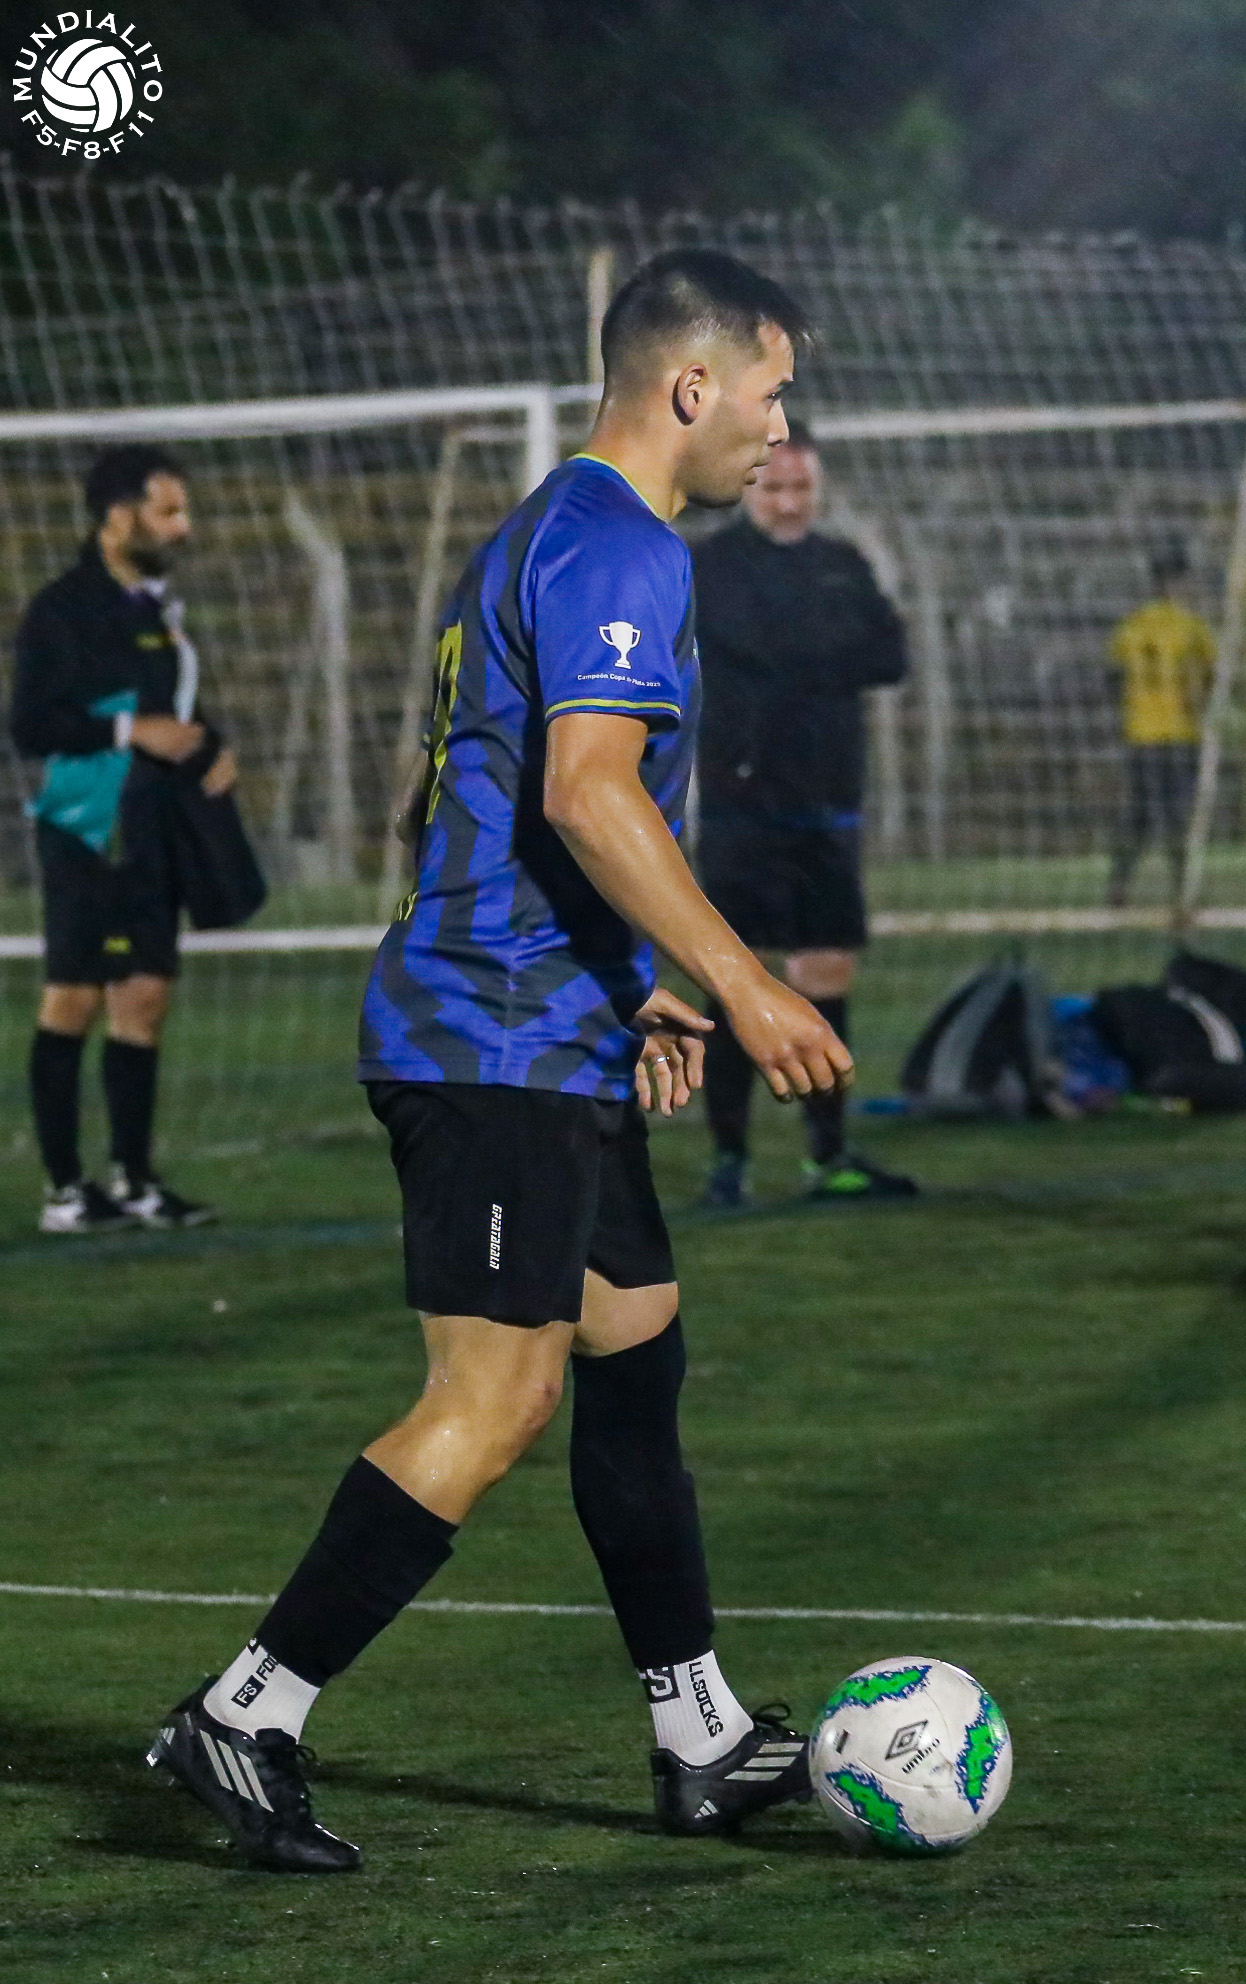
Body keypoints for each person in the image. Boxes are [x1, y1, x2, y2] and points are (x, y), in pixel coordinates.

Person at [146, 249, 854, 1874]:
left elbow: (449, 792)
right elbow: (583, 792)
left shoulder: (551, 528)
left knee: (634, 1349)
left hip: (548, 1027)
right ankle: (245, 1711)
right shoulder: (617, 543)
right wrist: (736, 983)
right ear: (692, 384)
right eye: (770, 392)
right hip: (494, 1043)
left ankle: (696, 1733)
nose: (777, 425)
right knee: (498, 1395)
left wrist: (634, 988)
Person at [10, 445, 238, 1234]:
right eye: (167, 511)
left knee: (143, 997)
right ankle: (64, 1191)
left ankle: (136, 1180)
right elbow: (31, 724)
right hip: (90, 829)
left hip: (152, 829)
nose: (184, 526)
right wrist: (129, 730)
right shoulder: (64, 608)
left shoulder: (153, 608)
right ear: (117, 517)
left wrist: (210, 745)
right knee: (73, 997)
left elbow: (170, 709)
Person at [691, 420, 914, 1206]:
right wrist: (821, 651)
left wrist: (807, 652)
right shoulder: (710, 567)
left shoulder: (841, 564)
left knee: (825, 975)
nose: (788, 503)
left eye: (801, 488)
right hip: (740, 807)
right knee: (734, 979)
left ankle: (828, 1155)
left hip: (828, 805)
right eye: (774, 487)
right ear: (746, 484)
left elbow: (889, 655)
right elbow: (762, 648)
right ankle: (729, 1161)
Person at [1106, 547, 1218, 907]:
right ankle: (1181, 889)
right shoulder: (1193, 628)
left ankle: (1118, 885)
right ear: (1177, 582)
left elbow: (1114, 677)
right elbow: (1210, 679)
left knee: (1138, 815)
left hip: (1140, 734)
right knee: (1177, 815)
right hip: (1180, 734)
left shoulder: (1131, 626)